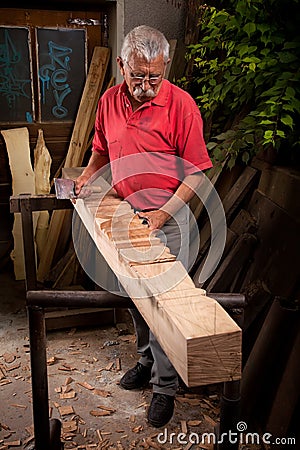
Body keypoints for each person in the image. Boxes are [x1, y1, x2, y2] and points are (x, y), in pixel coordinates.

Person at [75, 25, 213, 428]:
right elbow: (102, 148)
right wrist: (87, 176)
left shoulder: (182, 106)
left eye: (155, 76)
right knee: (135, 298)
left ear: (165, 66)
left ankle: (164, 389)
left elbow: (198, 174)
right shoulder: (107, 102)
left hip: (169, 219)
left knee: (164, 307)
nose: (146, 86)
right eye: (137, 76)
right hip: (127, 214)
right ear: (122, 66)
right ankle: (146, 361)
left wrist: (162, 216)